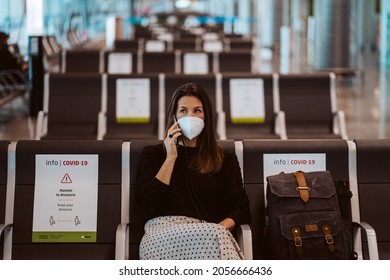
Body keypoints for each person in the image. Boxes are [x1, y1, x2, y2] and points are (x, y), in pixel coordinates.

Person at [135, 82, 252, 260]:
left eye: (197, 111)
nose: (190, 116)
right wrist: (170, 158)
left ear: (206, 116)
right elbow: (146, 203)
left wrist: (218, 230)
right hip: (161, 236)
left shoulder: (223, 159)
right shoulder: (153, 154)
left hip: (209, 235)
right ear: (174, 116)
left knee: (216, 240)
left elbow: (241, 207)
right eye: (183, 111)